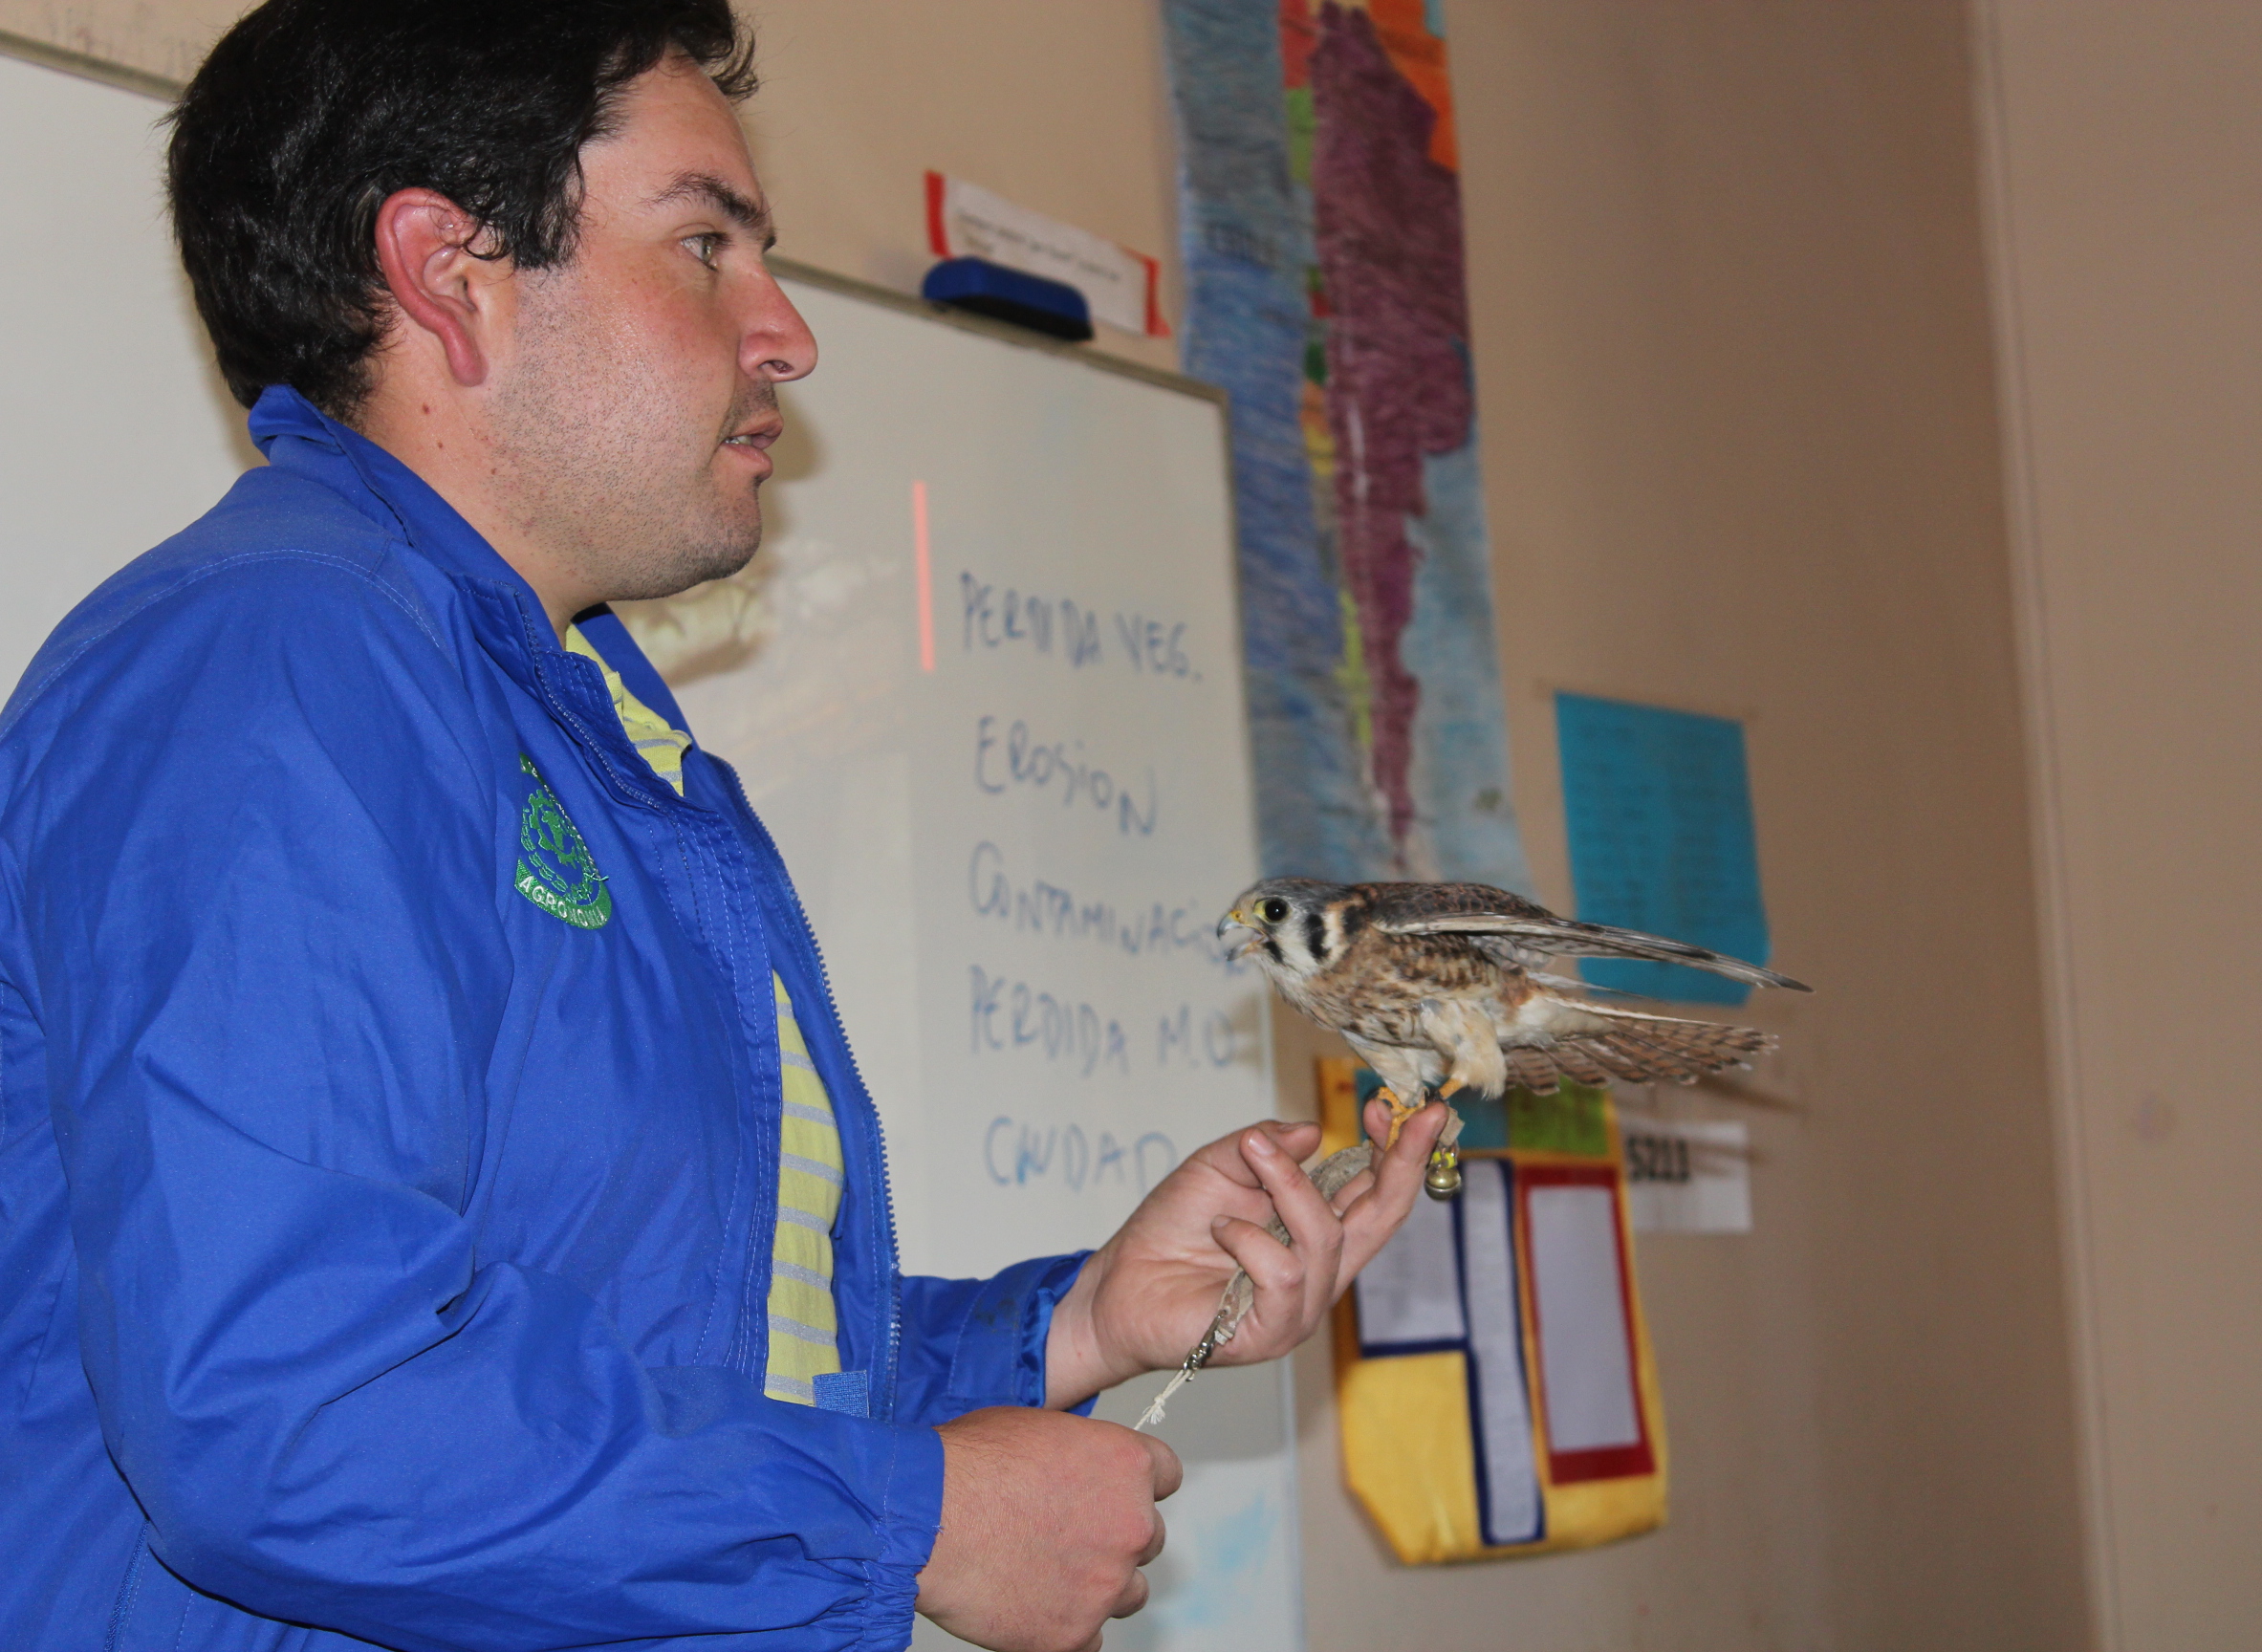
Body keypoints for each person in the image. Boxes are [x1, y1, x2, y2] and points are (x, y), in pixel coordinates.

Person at [0, 4, 1451, 1650]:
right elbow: (294, 1413)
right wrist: (911, 1520)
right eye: (706, 244)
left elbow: (680, 1360)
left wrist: (1073, 1326)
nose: (787, 334)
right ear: (448, 274)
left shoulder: (582, 722)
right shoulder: (278, 666)